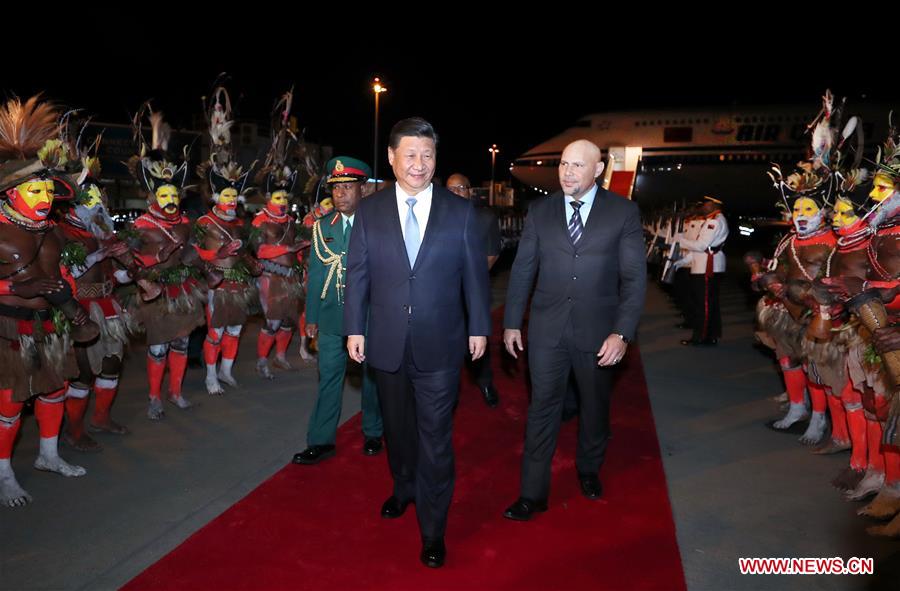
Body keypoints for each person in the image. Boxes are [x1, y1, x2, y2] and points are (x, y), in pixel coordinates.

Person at [343, 118, 491, 568]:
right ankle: (403, 487)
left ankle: (433, 528)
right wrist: (355, 328)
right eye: (410, 154)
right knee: (398, 430)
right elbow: (358, 275)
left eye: (427, 155)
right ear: (391, 158)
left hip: (441, 346)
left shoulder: (461, 212)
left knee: (436, 439)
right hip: (385, 342)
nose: (419, 164)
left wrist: (479, 326)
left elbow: (475, 277)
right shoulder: (369, 211)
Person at [502, 139, 646, 521]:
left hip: (600, 334)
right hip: (547, 331)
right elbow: (523, 270)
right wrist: (512, 321)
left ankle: (588, 468)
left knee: (594, 406)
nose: (567, 172)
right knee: (541, 409)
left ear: (598, 170)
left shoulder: (623, 212)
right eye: (563, 164)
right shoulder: (540, 211)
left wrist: (622, 333)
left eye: (577, 166)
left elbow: (633, 279)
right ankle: (532, 493)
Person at [0, 95, 97, 506]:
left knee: (55, 390)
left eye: (46, 188)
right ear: (8, 193)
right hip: (9, 326)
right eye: (32, 188)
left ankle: (48, 455)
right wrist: (13, 290)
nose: (43, 195)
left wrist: (71, 300)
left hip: (52, 327)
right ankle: (4, 474)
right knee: (9, 403)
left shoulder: (56, 231)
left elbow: (63, 275)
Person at [292, 156, 384, 464]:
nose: (341, 194)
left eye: (347, 187)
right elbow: (317, 273)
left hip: (371, 316)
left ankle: (373, 431)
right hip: (332, 316)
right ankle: (320, 440)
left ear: (362, 190)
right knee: (329, 376)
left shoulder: (378, 225)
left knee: (372, 377)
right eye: (336, 188)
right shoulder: (322, 227)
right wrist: (312, 318)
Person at [126, 103, 206, 420]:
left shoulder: (186, 224)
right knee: (158, 348)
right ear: (152, 198)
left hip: (184, 292)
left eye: (174, 195)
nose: (171, 200)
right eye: (164, 196)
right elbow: (128, 262)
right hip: (156, 294)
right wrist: (151, 261)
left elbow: (198, 253)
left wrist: (200, 260)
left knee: (182, 345)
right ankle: (154, 397)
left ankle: (175, 393)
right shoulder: (141, 226)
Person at [58, 137, 134, 451]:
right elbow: (63, 276)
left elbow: (115, 275)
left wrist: (129, 269)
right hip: (79, 306)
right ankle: (73, 430)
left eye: (97, 194)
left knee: (112, 363)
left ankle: (101, 417)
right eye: (88, 194)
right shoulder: (61, 231)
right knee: (83, 372)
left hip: (108, 304)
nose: (96, 199)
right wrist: (98, 256)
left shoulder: (102, 230)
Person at [194, 86, 259, 396]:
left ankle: (226, 371)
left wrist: (251, 262)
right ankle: (210, 376)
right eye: (228, 195)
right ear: (218, 197)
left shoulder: (240, 223)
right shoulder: (204, 222)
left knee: (235, 330)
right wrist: (216, 253)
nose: (232, 200)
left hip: (239, 284)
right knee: (216, 332)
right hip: (216, 285)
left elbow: (244, 251)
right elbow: (194, 254)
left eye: (236, 195)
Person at [446, 172, 502, 407]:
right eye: (450, 189)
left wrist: (470, 279)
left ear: (470, 191)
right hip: (442, 294)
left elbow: (492, 254)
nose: (456, 193)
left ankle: (485, 382)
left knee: (477, 340)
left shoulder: (485, 217)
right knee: (445, 344)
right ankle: (448, 390)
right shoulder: (434, 217)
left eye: (461, 188)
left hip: (472, 292)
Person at [679, 196, 728, 346]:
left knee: (704, 304)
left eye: (706, 204)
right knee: (708, 302)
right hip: (705, 264)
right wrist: (683, 261)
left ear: (714, 204)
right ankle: (711, 335)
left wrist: (679, 240)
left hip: (707, 266)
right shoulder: (714, 219)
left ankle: (700, 336)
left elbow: (701, 246)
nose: (703, 207)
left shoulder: (714, 221)